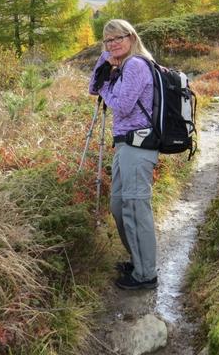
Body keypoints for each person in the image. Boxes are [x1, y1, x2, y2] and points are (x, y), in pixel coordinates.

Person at [89, 19, 159, 290]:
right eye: (108, 40)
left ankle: (146, 274)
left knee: (135, 208)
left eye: (118, 37)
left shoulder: (136, 65)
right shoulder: (122, 66)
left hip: (138, 146)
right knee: (119, 206)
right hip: (124, 146)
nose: (113, 43)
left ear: (131, 37)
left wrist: (106, 87)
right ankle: (138, 260)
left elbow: (123, 106)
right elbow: (93, 87)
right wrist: (105, 59)